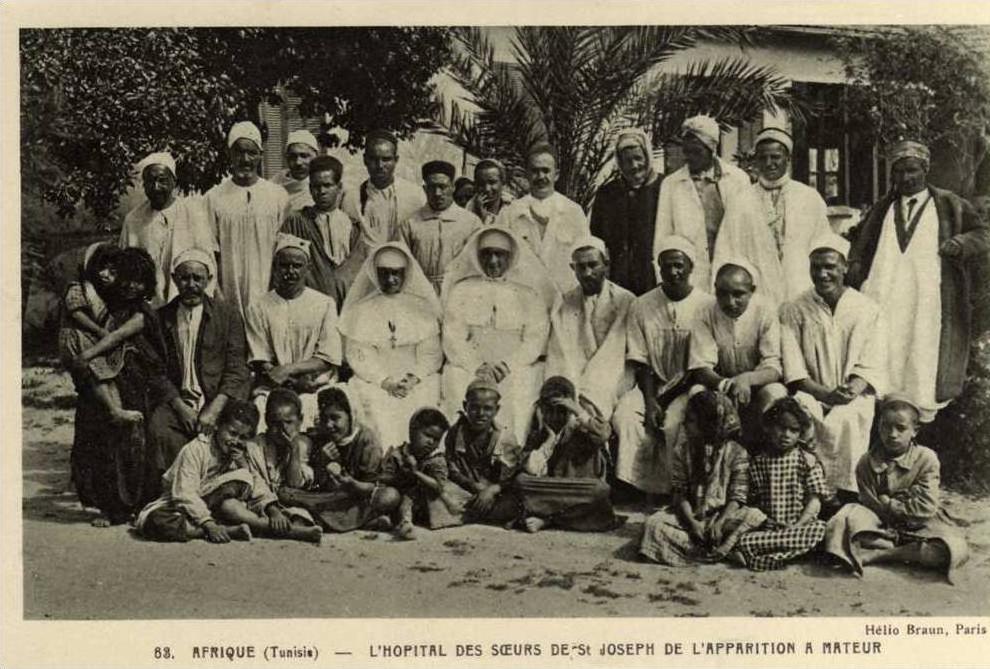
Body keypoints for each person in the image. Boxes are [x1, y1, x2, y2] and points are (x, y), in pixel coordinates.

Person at [848, 139, 990, 422]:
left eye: (912, 170)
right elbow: (860, 241)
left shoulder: (949, 204)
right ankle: (884, 413)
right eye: (899, 172)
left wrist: (960, 243)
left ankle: (921, 419)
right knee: (884, 349)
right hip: (885, 293)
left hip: (929, 296)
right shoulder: (882, 208)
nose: (906, 177)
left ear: (925, 169)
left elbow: (982, 234)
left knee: (923, 349)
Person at [69, 247, 171, 526]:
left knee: (133, 442)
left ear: (147, 284)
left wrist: (87, 355)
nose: (131, 286)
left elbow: (116, 338)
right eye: (126, 278)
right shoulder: (110, 306)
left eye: (139, 281)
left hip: (139, 382)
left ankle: (133, 504)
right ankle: (110, 505)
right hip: (113, 377)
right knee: (104, 442)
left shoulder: (143, 313)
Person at [781, 234, 887, 496]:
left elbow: (872, 360)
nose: (823, 274)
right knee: (803, 411)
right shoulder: (795, 309)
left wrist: (850, 390)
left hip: (852, 393)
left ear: (845, 267)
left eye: (830, 266)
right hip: (812, 391)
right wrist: (823, 394)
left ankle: (846, 493)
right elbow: (793, 366)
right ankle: (807, 492)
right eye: (816, 267)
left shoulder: (867, 309)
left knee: (848, 418)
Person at [822, 393, 969, 583]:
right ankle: (904, 550)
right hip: (881, 525)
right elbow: (869, 503)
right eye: (886, 426)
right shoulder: (866, 462)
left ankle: (881, 555)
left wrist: (891, 504)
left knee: (952, 547)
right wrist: (887, 512)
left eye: (901, 428)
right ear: (878, 426)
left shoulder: (926, 459)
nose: (892, 434)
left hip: (920, 524)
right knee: (842, 520)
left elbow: (925, 508)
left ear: (915, 430)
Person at [135, 399, 323, 544]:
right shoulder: (196, 449)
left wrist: (273, 510)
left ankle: (278, 529)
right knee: (154, 522)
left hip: (216, 506)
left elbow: (255, 481)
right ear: (217, 425)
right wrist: (208, 524)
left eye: (243, 437)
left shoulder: (239, 454)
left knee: (235, 496)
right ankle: (226, 530)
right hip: (180, 505)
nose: (236, 441)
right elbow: (184, 494)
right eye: (232, 433)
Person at [613, 236, 714, 496]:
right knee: (625, 415)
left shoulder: (706, 305)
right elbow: (640, 357)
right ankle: (640, 488)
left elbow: (699, 364)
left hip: (689, 385)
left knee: (673, 424)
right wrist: (649, 401)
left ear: (691, 267)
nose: (673, 272)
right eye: (666, 265)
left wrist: (665, 400)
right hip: (652, 383)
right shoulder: (642, 304)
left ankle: (676, 491)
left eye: (679, 265)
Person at [441, 226, 559, 443]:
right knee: (456, 380)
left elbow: (535, 339)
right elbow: (453, 335)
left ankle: (507, 455)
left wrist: (507, 365)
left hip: (514, 366)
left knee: (518, 389)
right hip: (472, 364)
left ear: (511, 257)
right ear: (477, 256)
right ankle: (458, 453)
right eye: (487, 254)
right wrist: (477, 365)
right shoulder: (461, 290)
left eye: (500, 255)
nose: (493, 261)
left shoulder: (529, 294)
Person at [147, 248, 251, 478]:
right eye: (184, 278)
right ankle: (174, 494)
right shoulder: (161, 317)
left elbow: (237, 368)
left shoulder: (228, 315)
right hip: (177, 401)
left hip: (218, 400)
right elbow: (155, 371)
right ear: (174, 279)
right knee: (158, 428)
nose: (191, 284)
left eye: (198, 278)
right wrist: (180, 407)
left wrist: (215, 409)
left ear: (209, 280)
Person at [653, 115, 780, 300]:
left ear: (712, 149)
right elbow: (662, 237)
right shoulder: (671, 184)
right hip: (690, 276)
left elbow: (749, 231)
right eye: (686, 152)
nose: (690, 158)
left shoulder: (737, 179)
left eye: (696, 152)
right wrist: (664, 281)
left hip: (731, 270)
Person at [639, 390, 766, 566]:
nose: (684, 424)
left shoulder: (737, 452)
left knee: (754, 516)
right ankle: (718, 552)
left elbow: (738, 496)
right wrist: (692, 523)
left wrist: (720, 523)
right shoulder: (682, 451)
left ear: (708, 423)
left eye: (691, 420)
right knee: (654, 524)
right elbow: (680, 492)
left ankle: (702, 549)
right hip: (692, 515)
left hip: (724, 517)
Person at [338, 242, 443, 448]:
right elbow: (359, 354)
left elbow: (430, 353)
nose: (390, 279)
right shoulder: (361, 310)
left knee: (426, 396)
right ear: (375, 273)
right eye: (384, 273)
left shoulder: (421, 307)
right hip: (377, 380)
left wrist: (413, 378)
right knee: (372, 400)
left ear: (406, 274)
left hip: (415, 379)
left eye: (397, 273)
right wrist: (384, 381)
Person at [246, 233, 342, 429]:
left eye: (297, 266)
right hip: (274, 388)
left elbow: (328, 356)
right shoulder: (258, 307)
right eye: (284, 265)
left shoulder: (324, 304)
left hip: (316, 386)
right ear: (275, 269)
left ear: (307, 269)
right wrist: (292, 383)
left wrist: (289, 370)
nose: (291, 271)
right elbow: (260, 358)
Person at [688, 259, 787, 446]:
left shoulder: (765, 311)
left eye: (738, 294)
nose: (730, 302)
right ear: (715, 288)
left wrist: (747, 380)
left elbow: (773, 367)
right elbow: (701, 366)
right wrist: (727, 385)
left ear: (752, 290)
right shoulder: (704, 311)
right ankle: (708, 464)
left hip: (757, 386)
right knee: (696, 394)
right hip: (719, 385)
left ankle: (767, 460)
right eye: (722, 294)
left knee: (776, 393)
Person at [278, 386, 400, 532]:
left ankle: (327, 521)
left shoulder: (367, 439)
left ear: (351, 415)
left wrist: (351, 483)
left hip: (358, 496)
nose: (329, 425)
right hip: (331, 496)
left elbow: (371, 486)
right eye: (324, 418)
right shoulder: (323, 436)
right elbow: (317, 484)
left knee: (390, 496)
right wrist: (322, 462)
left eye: (335, 418)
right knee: (285, 493)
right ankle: (366, 522)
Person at [205, 121, 290, 319]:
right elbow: (210, 251)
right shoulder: (213, 197)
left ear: (260, 155)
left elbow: (284, 248)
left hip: (270, 290)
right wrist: (218, 293)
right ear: (230, 155)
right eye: (239, 152)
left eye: (251, 152)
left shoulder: (277, 196)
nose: (245, 159)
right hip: (228, 293)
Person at [513, 376, 619, 533]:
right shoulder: (539, 434)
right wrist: (548, 441)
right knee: (521, 481)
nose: (555, 417)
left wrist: (577, 410)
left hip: (577, 493)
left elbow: (604, 434)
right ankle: (557, 518)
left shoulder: (583, 429)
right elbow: (531, 469)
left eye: (562, 411)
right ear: (541, 409)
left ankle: (548, 519)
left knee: (599, 491)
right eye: (549, 411)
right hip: (551, 491)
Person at [734, 397, 829, 571]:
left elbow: (814, 501)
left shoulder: (807, 460)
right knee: (744, 538)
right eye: (781, 428)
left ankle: (765, 557)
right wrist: (765, 522)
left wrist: (798, 525)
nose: (786, 435)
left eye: (793, 430)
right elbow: (754, 501)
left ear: (800, 434)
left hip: (799, 527)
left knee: (820, 530)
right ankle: (785, 554)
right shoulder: (759, 462)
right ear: (769, 427)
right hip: (769, 528)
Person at [545, 236, 635, 417]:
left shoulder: (625, 301)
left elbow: (614, 352)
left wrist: (586, 391)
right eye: (581, 267)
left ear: (606, 265)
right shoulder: (564, 303)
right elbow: (560, 351)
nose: (587, 273)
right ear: (573, 268)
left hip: (613, 376)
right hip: (573, 376)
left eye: (593, 265)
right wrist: (570, 387)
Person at [119, 152, 215, 307]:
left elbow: (207, 262)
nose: (156, 187)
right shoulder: (133, 219)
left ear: (173, 182)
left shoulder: (193, 214)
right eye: (150, 181)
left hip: (186, 301)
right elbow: (125, 265)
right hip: (147, 306)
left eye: (162, 180)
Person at [59, 243, 140, 425]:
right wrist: (100, 331)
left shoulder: (109, 295)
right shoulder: (78, 287)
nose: (105, 274)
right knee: (97, 374)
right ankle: (112, 409)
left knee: (106, 375)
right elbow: (76, 313)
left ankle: (117, 411)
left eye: (112, 272)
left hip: (88, 341)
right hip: (76, 338)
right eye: (102, 268)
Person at [749, 127, 832, 302]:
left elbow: (823, 246)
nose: (769, 163)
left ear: (788, 159)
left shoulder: (809, 198)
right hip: (756, 292)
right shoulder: (741, 201)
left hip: (801, 288)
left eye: (775, 157)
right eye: (763, 158)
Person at [495, 144, 589, 292]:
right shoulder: (510, 213)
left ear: (556, 174)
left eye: (546, 171)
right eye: (535, 171)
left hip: (564, 298)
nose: (540, 177)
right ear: (527, 174)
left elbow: (585, 258)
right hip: (522, 298)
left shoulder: (573, 212)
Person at [589, 128, 664, 296]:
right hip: (619, 279)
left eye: (638, 158)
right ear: (619, 163)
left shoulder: (665, 187)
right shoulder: (608, 193)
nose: (634, 166)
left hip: (656, 278)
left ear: (648, 156)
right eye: (627, 161)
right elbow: (597, 239)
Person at [280, 155, 360, 307]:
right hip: (308, 306)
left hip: (345, 306)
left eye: (327, 185)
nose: (321, 191)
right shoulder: (296, 221)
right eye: (316, 186)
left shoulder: (352, 226)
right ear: (310, 188)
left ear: (339, 187)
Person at [378, 408, 469, 540]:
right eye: (427, 435)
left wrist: (415, 472)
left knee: (410, 498)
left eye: (436, 439)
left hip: (427, 499)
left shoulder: (436, 460)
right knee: (389, 496)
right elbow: (384, 477)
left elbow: (438, 486)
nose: (431, 442)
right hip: (400, 494)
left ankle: (405, 524)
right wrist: (400, 476)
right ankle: (383, 518)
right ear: (412, 431)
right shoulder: (399, 454)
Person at [444, 375, 523, 524]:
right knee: (438, 492)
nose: (480, 414)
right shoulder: (455, 433)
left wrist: (492, 490)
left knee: (513, 503)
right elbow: (451, 468)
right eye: (474, 407)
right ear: (465, 406)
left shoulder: (505, 437)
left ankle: (465, 514)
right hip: (464, 489)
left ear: (497, 409)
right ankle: (480, 514)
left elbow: (512, 474)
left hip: (492, 493)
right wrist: (472, 485)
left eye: (487, 408)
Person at [396, 160, 482, 293]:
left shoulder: (471, 223)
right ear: (424, 189)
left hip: (457, 293)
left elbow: (477, 265)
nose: (437, 193)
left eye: (443, 187)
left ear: (453, 187)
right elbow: (401, 263)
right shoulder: (410, 223)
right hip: (420, 293)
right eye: (432, 187)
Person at [241, 388, 319, 526]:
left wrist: (294, 449)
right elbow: (255, 482)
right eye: (276, 423)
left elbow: (295, 484)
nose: (283, 429)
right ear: (266, 420)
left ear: (300, 420)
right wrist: (273, 509)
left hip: (290, 502)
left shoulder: (304, 444)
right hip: (262, 501)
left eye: (288, 422)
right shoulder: (254, 446)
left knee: (300, 515)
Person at [340, 129, 425, 247]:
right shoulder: (352, 199)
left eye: (386, 159)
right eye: (373, 159)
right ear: (365, 160)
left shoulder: (415, 195)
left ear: (396, 160)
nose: (380, 165)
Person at [271, 129, 320, 214]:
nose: (298, 162)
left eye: (304, 156)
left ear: (315, 157)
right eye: (293, 157)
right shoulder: (273, 185)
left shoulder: (323, 186)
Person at [466, 159, 514, 224]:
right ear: (476, 185)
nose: (487, 189)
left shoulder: (513, 205)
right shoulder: (468, 211)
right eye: (481, 184)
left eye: (492, 182)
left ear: (502, 182)